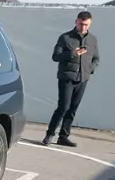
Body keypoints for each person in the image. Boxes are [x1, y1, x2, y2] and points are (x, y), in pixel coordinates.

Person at [42, 10, 100, 147]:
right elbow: (55, 57)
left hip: (83, 79)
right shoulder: (65, 38)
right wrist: (72, 53)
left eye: (86, 25)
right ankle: (50, 134)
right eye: (81, 24)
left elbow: (96, 58)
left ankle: (63, 136)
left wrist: (90, 69)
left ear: (90, 24)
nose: (83, 27)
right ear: (76, 22)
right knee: (63, 107)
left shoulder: (92, 40)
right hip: (67, 78)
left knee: (73, 108)